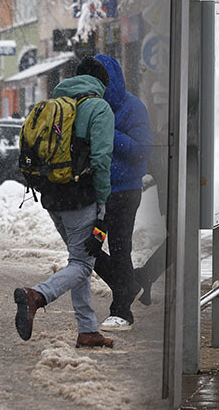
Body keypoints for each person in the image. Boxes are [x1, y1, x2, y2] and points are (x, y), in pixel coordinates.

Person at [14, 56, 116, 349]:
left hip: (52, 196)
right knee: (83, 264)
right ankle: (38, 295)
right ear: (102, 83)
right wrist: (103, 203)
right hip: (81, 197)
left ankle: (87, 329)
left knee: (78, 260)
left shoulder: (55, 104)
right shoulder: (98, 107)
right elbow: (100, 160)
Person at [91, 54, 152, 331]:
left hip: (125, 192)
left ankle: (122, 311)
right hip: (97, 192)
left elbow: (142, 150)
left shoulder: (133, 107)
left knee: (119, 248)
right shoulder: (89, 106)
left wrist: (108, 132)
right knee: (87, 247)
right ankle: (127, 285)